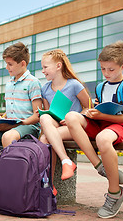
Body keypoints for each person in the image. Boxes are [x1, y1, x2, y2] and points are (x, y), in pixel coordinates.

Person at [65, 40, 123, 219]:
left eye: (111, 69)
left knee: (103, 139)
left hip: (121, 127)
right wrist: (91, 113)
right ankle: (100, 166)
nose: (106, 73)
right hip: (102, 124)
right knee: (71, 117)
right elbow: (98, 110)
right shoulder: (101, 86)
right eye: (103, 69)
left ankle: (115, 193)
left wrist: (100, 116)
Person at [39, 49, 91, 188]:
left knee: (45, 139)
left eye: (45, 67)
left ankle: (49, 183)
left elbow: (88, 107)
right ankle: (62, 165)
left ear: (58, 66)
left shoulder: (74, 85)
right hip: (57, 127)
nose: (43, 71)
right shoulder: (45, 89)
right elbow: (49, 113)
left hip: (73, 128)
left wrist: (72, 118)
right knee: (44, 119)